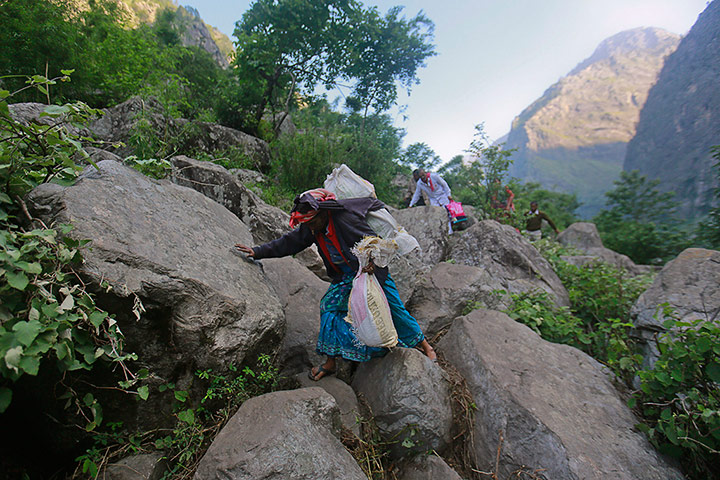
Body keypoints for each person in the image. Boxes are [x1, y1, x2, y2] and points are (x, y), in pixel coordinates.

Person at [235, 188, 437, 381]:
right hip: (344, 275)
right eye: (308, 224)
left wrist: (373, 264)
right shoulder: (312, 228)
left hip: (368, 271)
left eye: (313, 222)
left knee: (393, 307)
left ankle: (426, 347)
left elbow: (376, 243)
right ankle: (331, 361)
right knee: (329, 307)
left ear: (324, 213)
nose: (311, 227)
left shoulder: (346, 220)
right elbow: (289, 243)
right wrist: (258, 251)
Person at [409, 168, 454, 234]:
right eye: (421, 176)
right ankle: (441, 232)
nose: (423, 177)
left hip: (442, 196)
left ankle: (450, 232)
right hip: (433, 199)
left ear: (425, 173)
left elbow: (444, 184)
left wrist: (448, 194)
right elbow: (417, 194)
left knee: (447, 213)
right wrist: (411, 204)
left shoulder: (434, 176)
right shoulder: (420, 183)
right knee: (437, 215)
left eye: (423, 175)